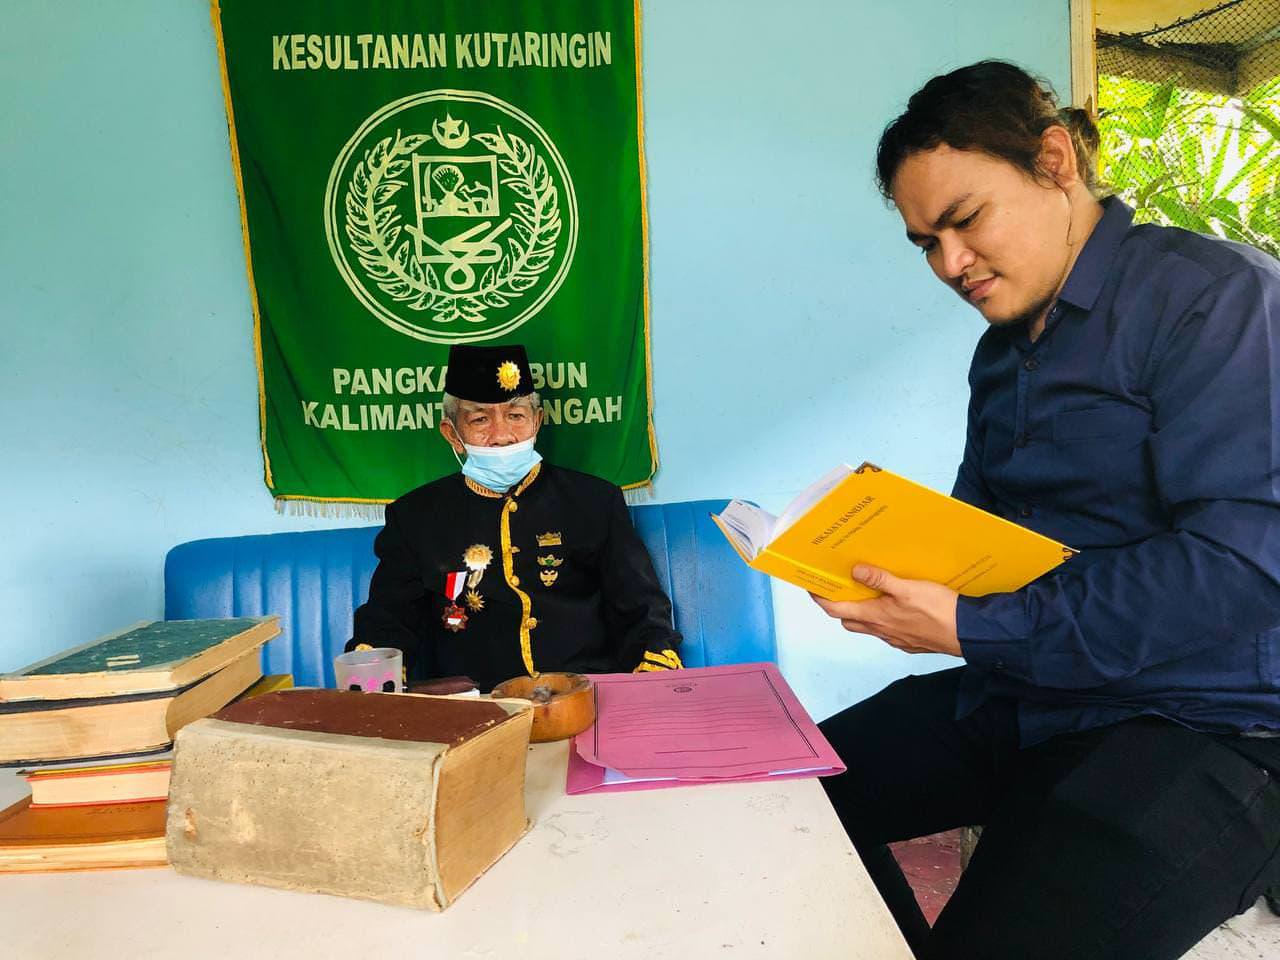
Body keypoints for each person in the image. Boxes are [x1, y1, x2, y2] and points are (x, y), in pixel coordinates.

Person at [813, 60, 1280, 960]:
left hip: (1200, 723)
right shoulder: (1003, 353)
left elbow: (1245, 564)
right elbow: (979, 532)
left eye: (965, 221)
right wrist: (875, 562)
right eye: (924, 244)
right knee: (791, 796)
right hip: (1031, 692)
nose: (950, 265)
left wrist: (978, 630)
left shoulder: (1216, 301)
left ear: (1056, 161)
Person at [347, 343, 683, 691]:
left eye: (516, 415)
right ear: (452, 434)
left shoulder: (594, 501)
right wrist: (373, 671)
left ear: (537, 421)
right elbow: (389, 619)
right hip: (477, 706)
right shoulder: (415, 516)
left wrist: (652, 671)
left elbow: (641, 608)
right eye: (479, 419)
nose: (502, 435)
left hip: (583, 693)